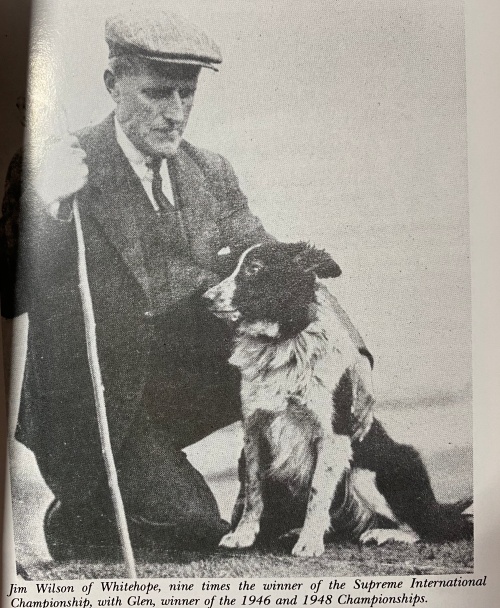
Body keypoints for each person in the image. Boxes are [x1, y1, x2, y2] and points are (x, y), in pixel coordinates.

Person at [1, 10, 471, 562]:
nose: (175, 113)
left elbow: (281, 267)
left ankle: (341, 503)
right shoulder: (59, 164)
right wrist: (42, 202)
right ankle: (81, 515)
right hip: (97, 407)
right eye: (157, 93)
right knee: (192, 527)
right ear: (112, 83)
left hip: (177, 388)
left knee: (304, 368)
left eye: (187, 94)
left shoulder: (210, 172)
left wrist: (354, 355)